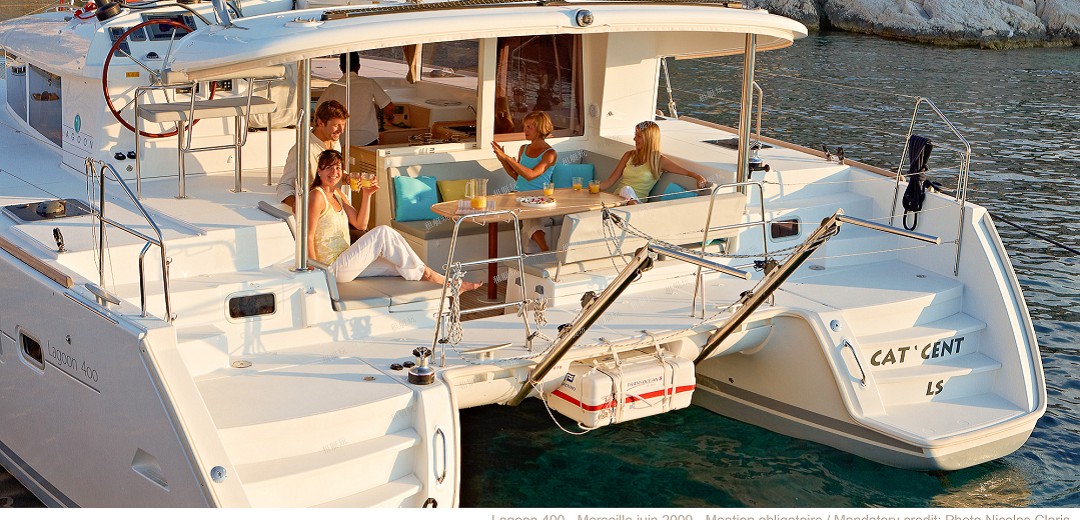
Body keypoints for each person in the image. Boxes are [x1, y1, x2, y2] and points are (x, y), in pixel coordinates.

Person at [307, 150, 482, 289]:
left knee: (402, 266)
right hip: (330, 268)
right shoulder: (317, 196)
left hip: (345, 261)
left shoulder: (338, 194)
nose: (334, 172)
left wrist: (367, 195)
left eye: (338, 168)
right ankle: (435, 277)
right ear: (319, 171)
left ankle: (450, 285)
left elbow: (361, 224)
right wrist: (315, 271)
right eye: (329, 168)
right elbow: (308, 235)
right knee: (383, 231)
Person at [491, 111, 558, 251]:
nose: (525, 130)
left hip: (539, 197)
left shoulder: (550, 153)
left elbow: (531, 175)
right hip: (519, 195)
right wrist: (502, 159)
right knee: (525, 220)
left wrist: (507, 158)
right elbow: (517, 176)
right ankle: (541, 253)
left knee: (530, 221)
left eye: (529, 127)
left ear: (540, 129)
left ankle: (545, 250)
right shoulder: (524, 148)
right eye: (524, 126)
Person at [598, 120, 709, 204]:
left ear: (649, 139)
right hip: (617, 200)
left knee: (626, 190)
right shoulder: (629, 155)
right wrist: (591, 189)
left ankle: (633, 205)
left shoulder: (659, 161)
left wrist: (697, 176)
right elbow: (610, 181)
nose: (634, 139)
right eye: (635, 135)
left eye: (639, 136)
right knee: (625, 190)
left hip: (636, 205)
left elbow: (685, 172)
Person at [277, 100, 348, 211]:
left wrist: (347, 177)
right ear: (320, 122)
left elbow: (332, 172)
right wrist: (297, 206)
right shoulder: (302, 150)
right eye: (336, 125)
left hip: (336, 205)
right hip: (317, 210)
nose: (341, 130)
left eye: (343, 125)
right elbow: (284, 186)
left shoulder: (334, 140)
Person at [317, 52, 395, 147]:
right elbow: (388, 106)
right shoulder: (369, 83)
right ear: (358, 66)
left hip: (342, 140)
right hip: (368, 139)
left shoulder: (332, 88)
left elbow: (318, 111)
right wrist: (389, 118)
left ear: (340, 67)